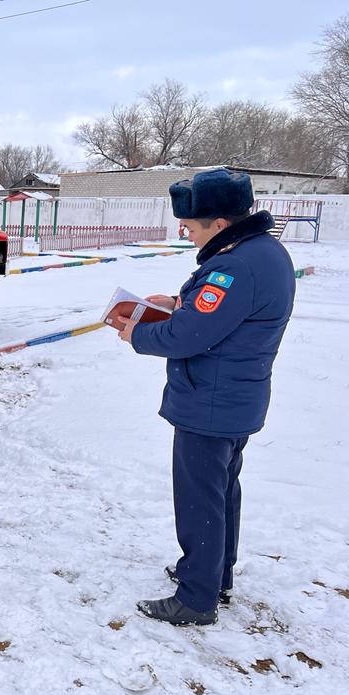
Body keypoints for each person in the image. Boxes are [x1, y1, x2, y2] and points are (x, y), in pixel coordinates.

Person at [118, 168, 296, 626]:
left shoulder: (234, 265)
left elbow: (190, 335)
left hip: (211, 403)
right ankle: (215, 575)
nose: (186, 233)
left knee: (200, 500)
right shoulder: (264, 252)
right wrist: (179, 302)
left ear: (220, 224)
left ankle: (196, 599)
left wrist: (138, 332)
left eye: (192, 226)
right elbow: (224, 315)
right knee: (221, 493)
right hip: (235, 398)